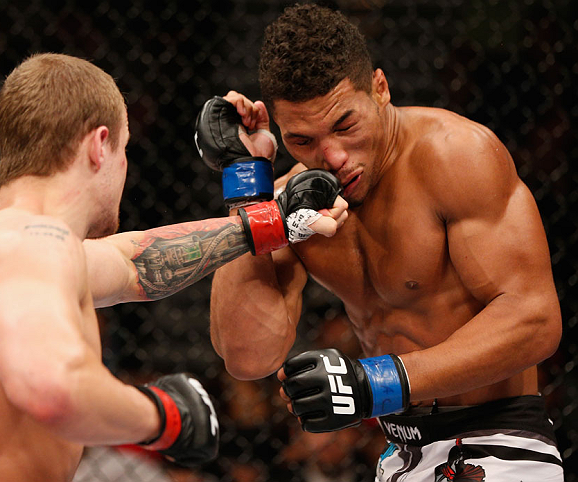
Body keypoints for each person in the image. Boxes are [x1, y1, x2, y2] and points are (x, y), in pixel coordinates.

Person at [0, 53, 348, 482]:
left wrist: (267, 215)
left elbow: (135, 262)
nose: (125, 168)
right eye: (126, 150)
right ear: (99, 145)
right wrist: (164, 415)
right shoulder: (31, 243)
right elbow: (51, 386)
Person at [203, 4, 564, 480]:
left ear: (380, 87)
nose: (331, 157)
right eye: (303, 140)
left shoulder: (453, 156)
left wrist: (378, 383)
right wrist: (247, 190)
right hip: (399, 455)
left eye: (345, 126)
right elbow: (247, 356)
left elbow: (535, 320)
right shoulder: (297, 201)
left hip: (495, 445)